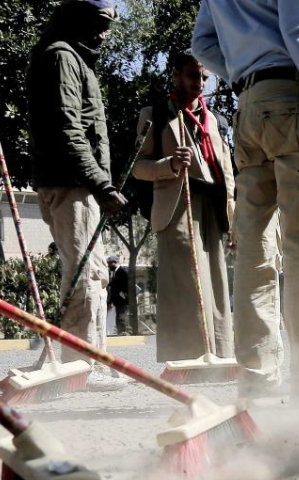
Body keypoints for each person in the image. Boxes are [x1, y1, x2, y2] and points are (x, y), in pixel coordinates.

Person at [192, 0, 299, 402]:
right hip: (292, 100)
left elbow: (202, 46)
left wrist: (244, 71)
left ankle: (258, 377)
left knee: (254, 248)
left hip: (248, 109)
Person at [27, 0, 127, 390]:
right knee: (85, 276)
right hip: (72, 185)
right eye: (98, 24)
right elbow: (68, 128)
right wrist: (100, 183)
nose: (102, 34)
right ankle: (78, 367)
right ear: (77, 17)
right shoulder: (60, 57)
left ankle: (85, 362)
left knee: (96, 275)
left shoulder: (72, 57)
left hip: (81, 183)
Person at [131, 49, 235, 362]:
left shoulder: (215, 119)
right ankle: (186, 359)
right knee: (187, 282)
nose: (200, 82)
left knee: (216, 283)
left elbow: (227, 169)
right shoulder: (155, 114)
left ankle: (219, 354)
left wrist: (234, 213)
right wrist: (170, 163)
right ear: (175, 74)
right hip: (177, 206)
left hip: (213, 209)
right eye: (193, 75)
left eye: (205, 77)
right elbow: (137, 166)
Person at [106, 255, 130, 335]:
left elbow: (126, 286)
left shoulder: (122, 271)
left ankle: (123, 332)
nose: (109, 265)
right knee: (118, 316)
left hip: (122, 299)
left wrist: (124, 295)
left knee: (121, 316)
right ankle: (120, 332)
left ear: (115, 262)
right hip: (116, 299)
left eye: (110, 263)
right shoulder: (114, 272)